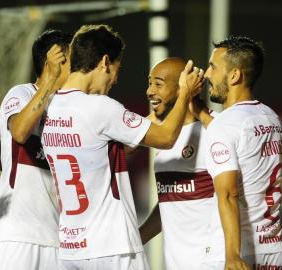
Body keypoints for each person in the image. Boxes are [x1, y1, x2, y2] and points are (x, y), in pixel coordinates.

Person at [41, 24, 204, 270]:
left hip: (71, 249)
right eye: (117, 69)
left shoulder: (50, 108)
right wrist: (184, 94)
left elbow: (108, 149)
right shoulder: (100, 107)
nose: (116, 79)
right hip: (111, 247)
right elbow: (166, 138)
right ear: (105, 62)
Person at [203, 36, 282, 270]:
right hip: (274, 250)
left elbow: (229, 194)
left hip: (236, 253)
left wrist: (232, 256)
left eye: (213, 67)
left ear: (234, 75)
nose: (206, 75)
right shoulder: (271, 118)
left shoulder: (225, 125)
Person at [0, 29, 71, 270]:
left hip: (61, 237)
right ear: (55, 61)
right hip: (19, 234)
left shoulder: (71, 108)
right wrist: (49, 81)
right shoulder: (21, 93)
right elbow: (19, 131)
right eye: (73, 60)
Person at [138, 57, 225, 270]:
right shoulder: (164, 135)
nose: (150, 91)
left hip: (213, 261)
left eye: (158, 84)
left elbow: (232, 197)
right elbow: (171, 203)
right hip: (177, 263)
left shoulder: (215, 129)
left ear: (183, 86)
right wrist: (136, 239)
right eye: (149, 83)